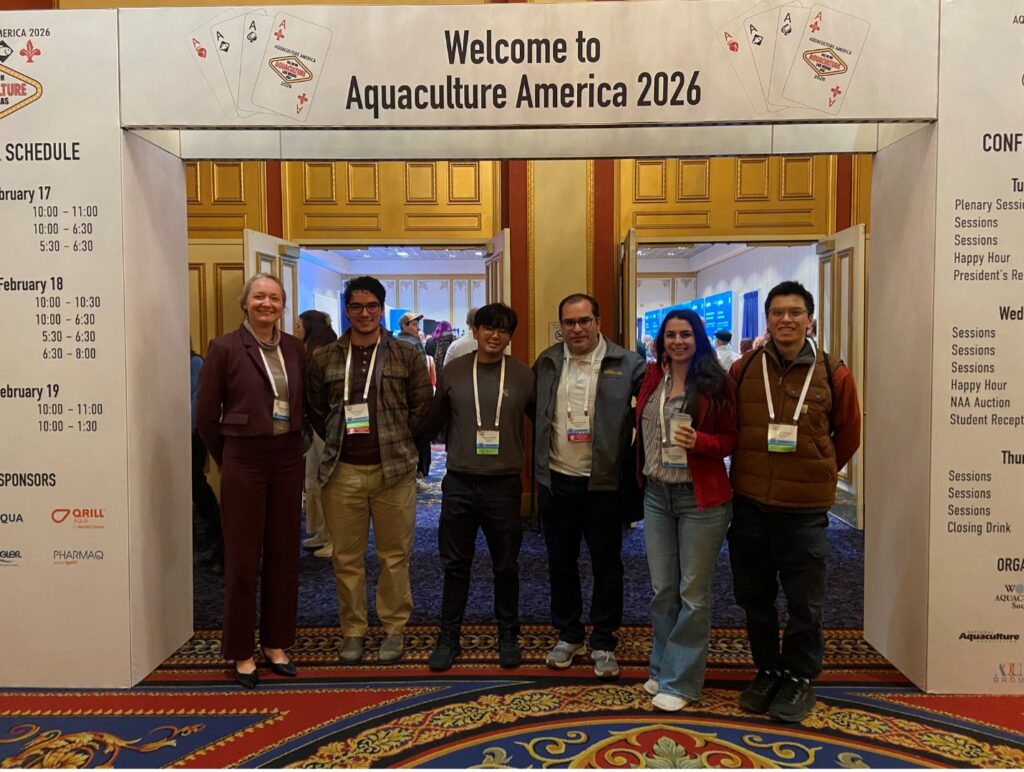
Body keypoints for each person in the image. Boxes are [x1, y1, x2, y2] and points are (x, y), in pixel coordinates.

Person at [727, 280, 861, 724]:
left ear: (810, 319)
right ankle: (767, 669)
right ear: (766, 319)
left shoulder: (833, 371)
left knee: (805, 600)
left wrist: (817, 472)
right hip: (749, 504)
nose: (786, 319)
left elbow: (849, 433)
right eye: (778, 312)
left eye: (795, 312)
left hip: (803, 511)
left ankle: (800, 677)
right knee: (754, 595)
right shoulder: (744, 369)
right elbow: (730, 426)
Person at [306, 276, 432, 665]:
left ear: (382, 309)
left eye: (372, 306)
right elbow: (315, 410)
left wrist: (397, 442)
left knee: (395, 556)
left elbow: (421, 408)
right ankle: (353, 630)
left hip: (393, 472)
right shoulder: (324, 357)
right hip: (342, 471)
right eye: (357, 307)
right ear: (347, 310)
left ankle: (394, 629)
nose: (364, 313)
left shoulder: (406, 355)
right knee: (347, 558)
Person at [195, 273, 306, 689]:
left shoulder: (295, 349)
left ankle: (277, 643)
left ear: (282, 305)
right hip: (243, 458)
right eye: (259, 296)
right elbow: (206, 415)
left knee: (284, 553)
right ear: (245, 303)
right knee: (242, 559)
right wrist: (229, 459)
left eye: (274, 298)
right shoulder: (224, 347)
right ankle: (242, 649)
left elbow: (303, 403)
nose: (267, 303)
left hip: (287, 458)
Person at [418, 303, 536, 671]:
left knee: (506, 566)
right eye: (488, 328)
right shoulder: (453, 371)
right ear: (476, 330)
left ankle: (508, 633)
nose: (495, 335)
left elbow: (545, 422)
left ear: (509, 336)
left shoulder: (523, 376)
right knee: (456, 566)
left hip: (503, 485)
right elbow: (430, 423)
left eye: (503, 330)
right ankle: (448, 636)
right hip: (459, 483)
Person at [533, 293, 644, 679]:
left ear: (598, 321)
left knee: (606, 565)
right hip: (557, 479)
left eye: (584, 321)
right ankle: (569, 634)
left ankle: (604, 640)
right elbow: (535, 412)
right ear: (561, 325)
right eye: (569, 322)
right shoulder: (547, 362)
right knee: (560, 562)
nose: (576, 329)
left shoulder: (627, 363)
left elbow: (653, 410)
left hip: (604, 485)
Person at [635, 309, 736, 712]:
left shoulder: (717, 382)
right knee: (663, 589)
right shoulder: (652, 376)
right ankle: (661, 666)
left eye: (686, 334)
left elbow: (731, 440)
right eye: (671, 335)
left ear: (699, 338)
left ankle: (682, 681)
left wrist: (700, 442)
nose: (678, 341)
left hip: (701, 498)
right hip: (657, 495)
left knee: (693, 593)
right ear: (661, 340)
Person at [296, 310, 338, 559]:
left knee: (326, 481)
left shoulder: (323, 353)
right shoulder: (308, 350)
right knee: (313, 480)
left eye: (299, 326)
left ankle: (334, 536)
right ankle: (322, 531)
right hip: (312, 425)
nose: (296, 330)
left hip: (324, 425)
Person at [190, 347, 223, 575]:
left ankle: (213, 526)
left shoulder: (194, 362)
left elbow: (197, 402)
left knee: (195, 482)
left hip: (192, 434)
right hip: (169, 434)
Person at [396, 311, 433, 491]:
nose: (418, 328)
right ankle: (416, 476)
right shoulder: (413, 344)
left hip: (399, 400)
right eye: (414, 325)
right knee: (417, 438)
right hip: (413, 399)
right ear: (404, 326)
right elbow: (422, 375)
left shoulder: (391, 343)